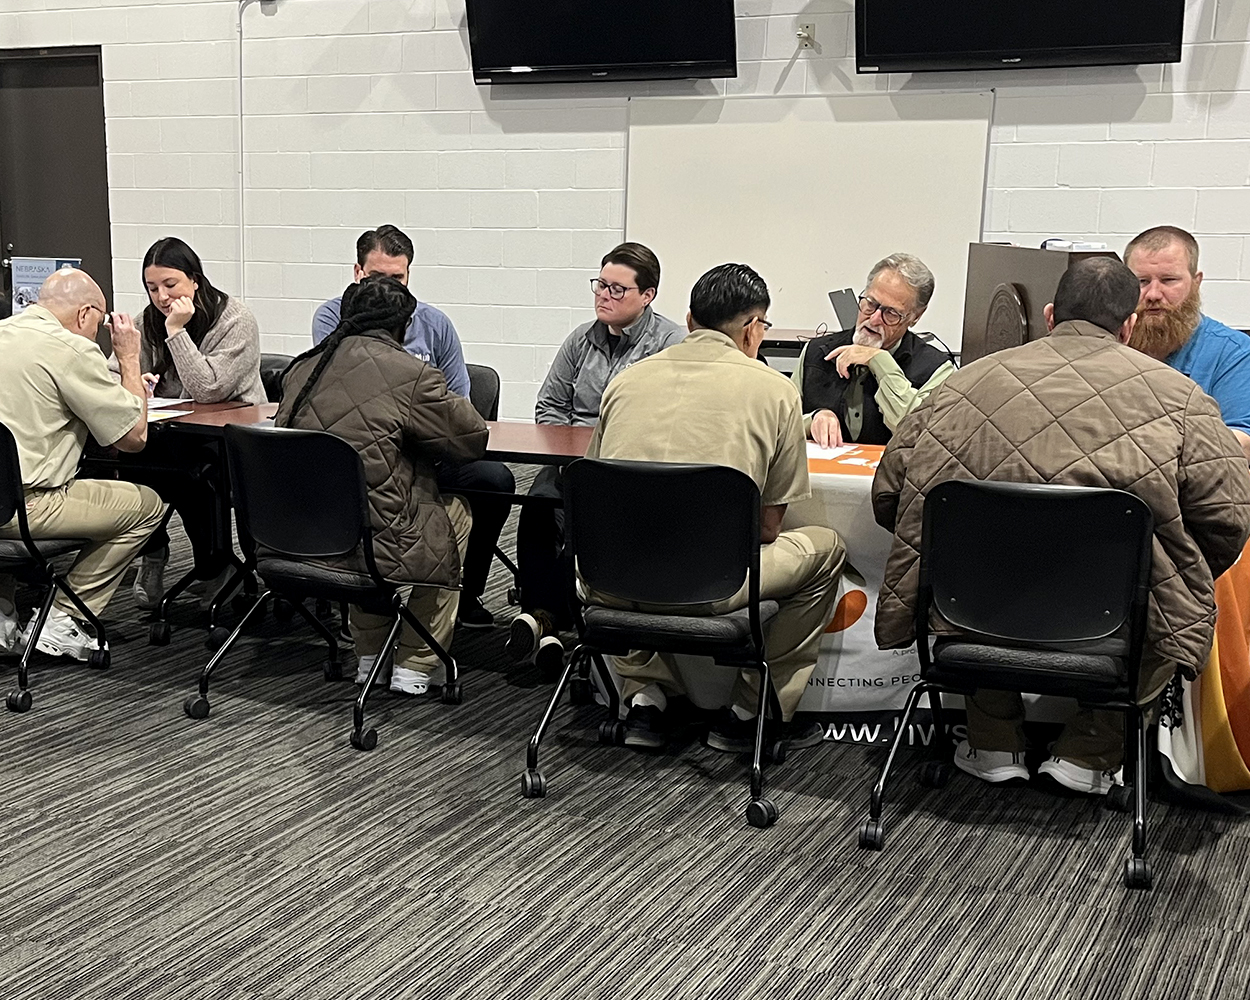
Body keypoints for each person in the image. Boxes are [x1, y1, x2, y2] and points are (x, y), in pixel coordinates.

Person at [872, 257, 1250, 795]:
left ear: (1050, 316)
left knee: (968, 576)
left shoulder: (959, 386)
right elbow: (1228, 520)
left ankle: (992, 742)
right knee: (1170, 600)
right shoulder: (1183, 400)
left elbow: (889, 496)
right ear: (1128, 326)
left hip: (975, 603)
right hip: (1115, 615)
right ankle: (1088, 753)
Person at [587, 263, 846, 752]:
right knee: (827, 549)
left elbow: (598, 497)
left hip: (611, 579)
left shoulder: (624, 383)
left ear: (689, 321)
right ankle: (753, 711)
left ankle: (644, 696)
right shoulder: (776, 392)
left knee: (636, 540)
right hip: (710, 585)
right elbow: (768, 527)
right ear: (752, 329)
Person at [280, 276, 488, 696]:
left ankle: (370, 656)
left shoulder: (302, 368)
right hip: (375, 539)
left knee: (364, 509)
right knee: (453, 514)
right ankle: (417, 661)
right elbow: (471, 438)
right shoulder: (410, 374)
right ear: (403, 326)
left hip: (301, 531)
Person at [312, 225, 514, 629]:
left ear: (409, 276)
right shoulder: (334, 318)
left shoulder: (435, 323)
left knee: (495, 480)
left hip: (427, 452)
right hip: (369, 454)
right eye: (377, 277)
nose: (388, 288)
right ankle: (361, 597)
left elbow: (460, 402)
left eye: (397, 278)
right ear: (357, 273)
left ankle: (468, 592)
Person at [508, 242, 685, 671]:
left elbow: (670, 417)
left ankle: (542, 621)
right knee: (537, 506)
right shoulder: (581, 339)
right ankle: (543, 623)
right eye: (601, 285)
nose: (604, 295)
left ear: (648, 295)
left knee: (586, 524)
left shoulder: (670, 344)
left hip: (631, 469)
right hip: (574, 463)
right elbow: (550, 405)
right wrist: (569, 451)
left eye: (617, 289)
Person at [0, 268, 166, 660]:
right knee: (146, 506)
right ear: (85, 314)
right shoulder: (70, 349)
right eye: (98, 322)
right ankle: (63, 619)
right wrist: (129, 359)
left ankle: (3, 614)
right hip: (27, 507)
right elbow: (133, 437)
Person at [113, 237, 265, 611]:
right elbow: (111, 373)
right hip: (174, 433)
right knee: (128, 455)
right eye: (152, 288)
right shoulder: (147, 320)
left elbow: (208, 389)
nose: (162, 297)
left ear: (195, 280)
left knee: (192, 472)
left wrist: (177, 332)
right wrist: (134, 379)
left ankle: (215, 567)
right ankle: (153, 552)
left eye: (170, 285)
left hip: (230, 439)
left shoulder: (235, 319)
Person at [798, 253, 954, 448]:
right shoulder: (816, 352)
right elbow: (780, 426)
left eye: (891, 313)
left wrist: (880, 362)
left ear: (915, 317)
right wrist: (812, 419)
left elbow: (916, 434)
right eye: (870, 304)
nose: (874, 319)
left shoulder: (936, 370)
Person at [1123, 225, 1250, 463]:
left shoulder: (1234, 353)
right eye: (1141, 281)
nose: (1153, 294)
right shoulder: (1111, 344)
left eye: (1168, 280)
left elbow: (1242, 441)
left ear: (1196, 282)